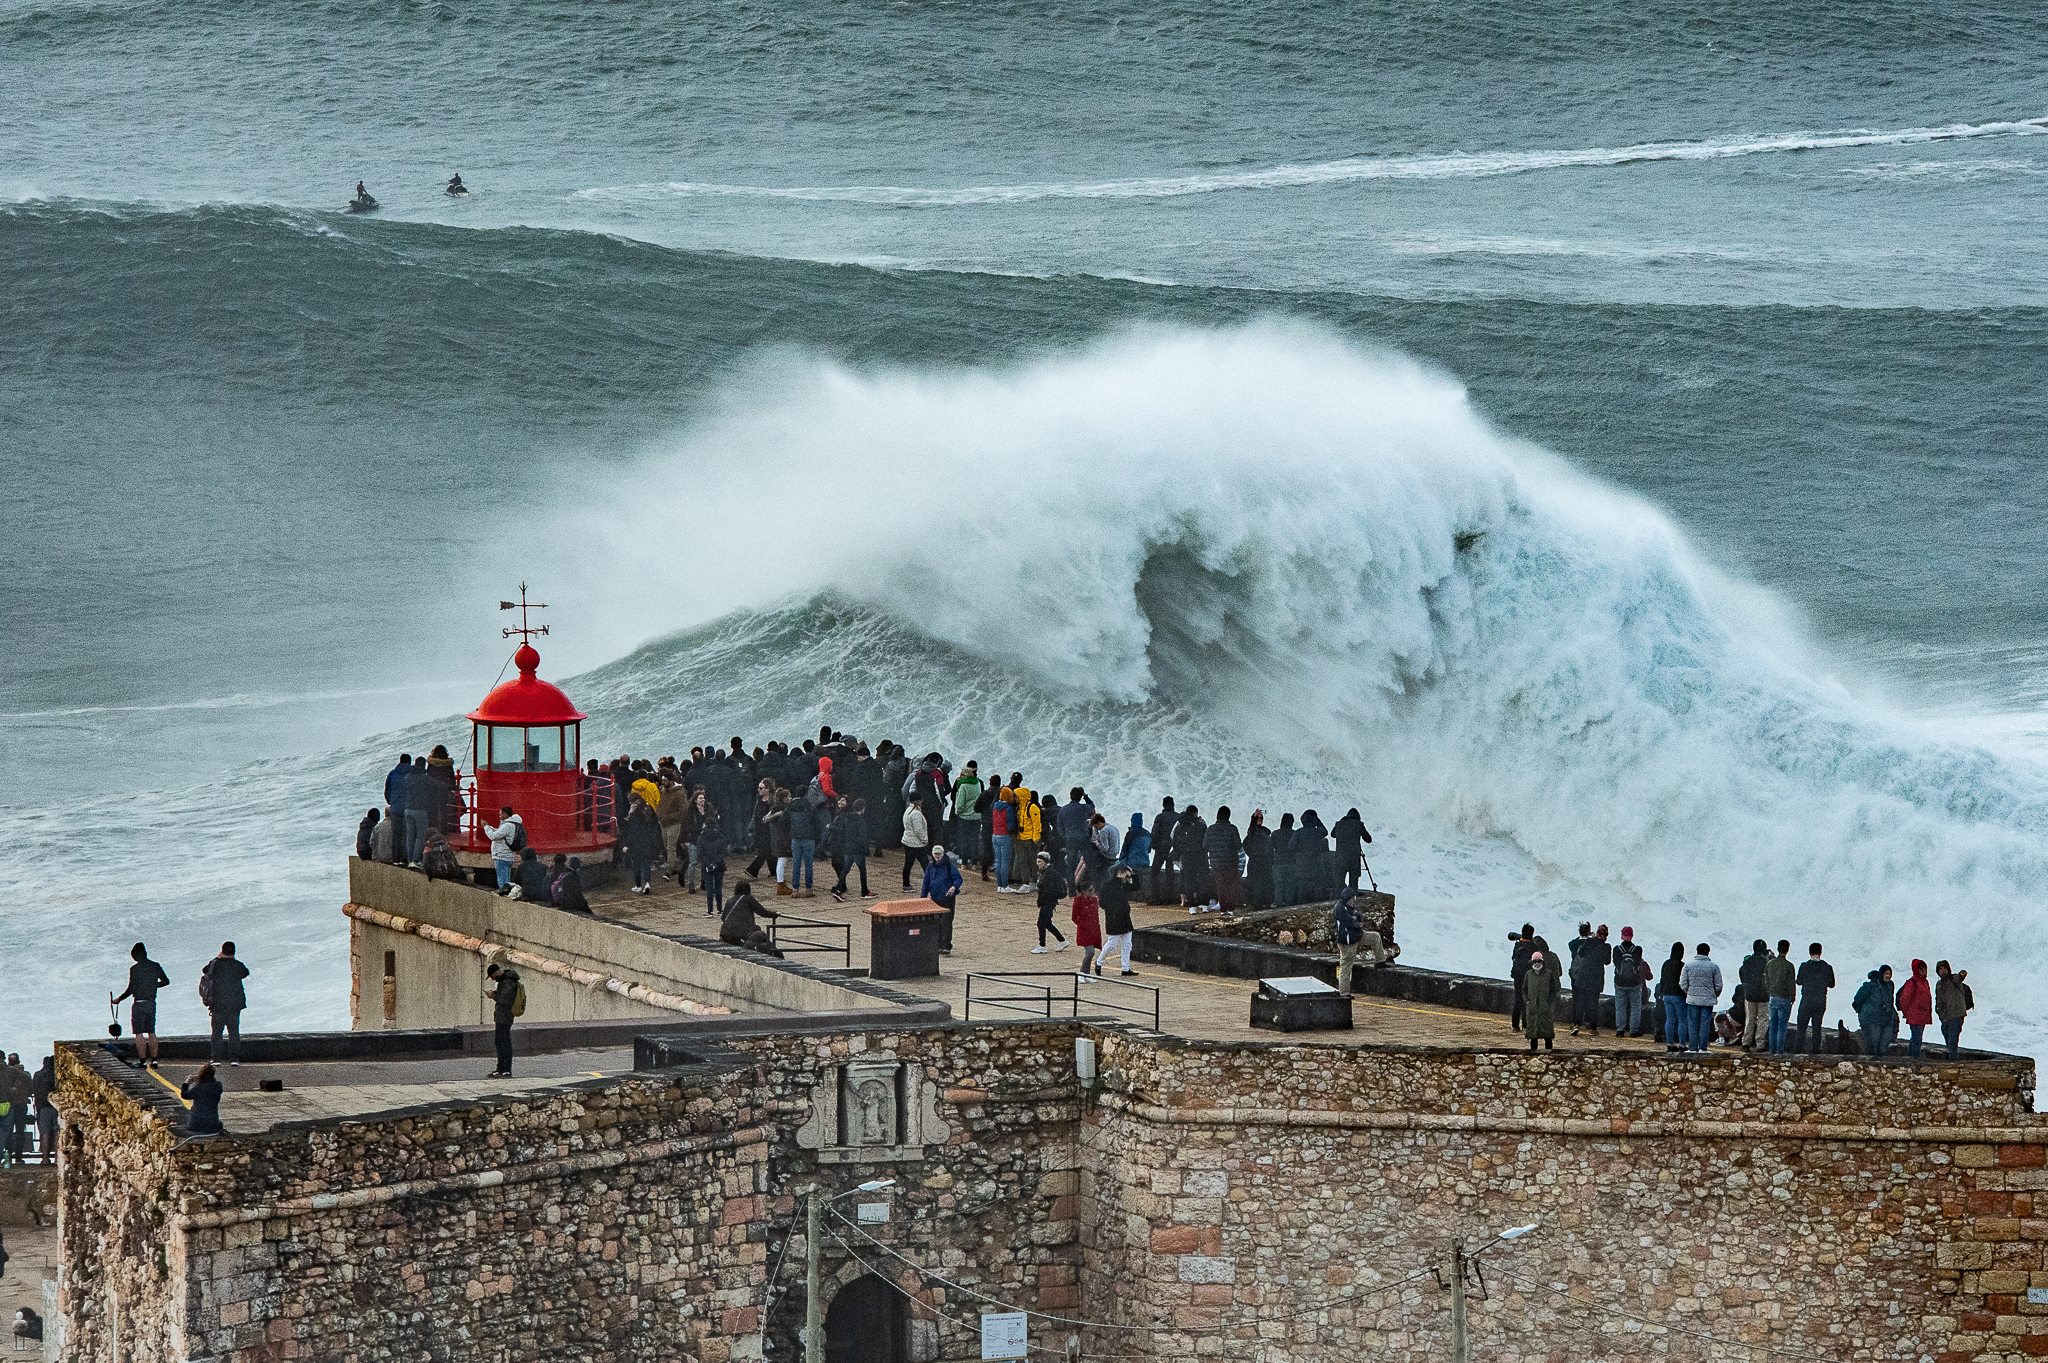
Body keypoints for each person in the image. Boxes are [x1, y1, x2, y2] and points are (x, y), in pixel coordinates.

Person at [112, 941, 171, 1068]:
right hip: (151, 1003)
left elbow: (131, 988)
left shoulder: (134, 969)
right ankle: (154, 1060)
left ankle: (143, 1061)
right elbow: (166, 981)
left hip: (138, 1003)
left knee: (139, 1033)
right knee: (151, 1032)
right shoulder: (155, 966)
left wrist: (119, 999)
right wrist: (153, 985)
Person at [200, 942, 250, 1067]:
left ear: (222, 951)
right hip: (234, 1003)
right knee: (234, 1032)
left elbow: (205, 970)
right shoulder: (237, 965)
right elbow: (246, 973)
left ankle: (216, 1058)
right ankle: (234, 1058)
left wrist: (217, 958)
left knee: (217, 1031)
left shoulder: (215, 964)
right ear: (234, 952)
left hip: (217, 1003)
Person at [719, 880, 783, 958]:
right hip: (741, 933)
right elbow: (762, 912)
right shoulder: (748, 898)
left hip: (725, 932)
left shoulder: (729, 901)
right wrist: (774, 914)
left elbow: (723, 918)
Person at [1568, 922, 1610, 1037]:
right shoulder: (1606, 947)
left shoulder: (1590, 942)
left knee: (1580, 1000)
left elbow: (1581, 953)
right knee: (1593, 1002)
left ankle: (1576, 1024)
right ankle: (1592, 1027)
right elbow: (1607, 961)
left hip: (1584, 974)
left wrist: (1591, 939)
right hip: (1596, 976)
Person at [919, 842, 963, 953]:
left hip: (948, 899)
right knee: (936, 923)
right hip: (935, 898)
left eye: (939, 854)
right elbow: (926, 883)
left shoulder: (949, 866)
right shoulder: (930, 867)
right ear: (933, 855)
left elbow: (958, 878)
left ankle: (946, 945)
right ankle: (938, 944)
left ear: (943, 854)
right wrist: (923, 898)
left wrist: (953, 887)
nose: (937, 856)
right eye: (935, 854)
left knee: (946, 922)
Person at [1679, 943, 1721, 1055]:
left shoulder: (1688, 966)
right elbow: (1718, 985)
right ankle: (1703, 1048)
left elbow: (1683, 983)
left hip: (1692, 999)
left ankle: (1692, 1047)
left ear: (1697, 951)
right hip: (1707, 1000)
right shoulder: (1714, 966)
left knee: (1692, 1023)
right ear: (1708, 952)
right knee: (1705, 1023)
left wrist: (1689, 992)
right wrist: (1714, 994)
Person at [1794, 943, 1835, 1054]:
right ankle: (1815, 1050)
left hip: (1807, 999)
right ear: (1820, 952)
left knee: (1801, 1026)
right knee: (1817, 1026)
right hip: (1820, 1000)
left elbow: (1799, 981)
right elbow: (1831, 984)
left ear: (1810, 952)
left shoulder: (1804, 966)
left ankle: (1798, 1049)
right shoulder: (1827, 967)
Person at [828, 798, 872, 901]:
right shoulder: (860, 821)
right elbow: (862, 837)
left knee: (845, 870)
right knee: (862, 870)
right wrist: (866, 849)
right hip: (857, 849)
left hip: (848, 848)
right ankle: (864, 891)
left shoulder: (847, 818)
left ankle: (838, 889)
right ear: (862, 809)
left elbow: (841, 832)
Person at [1205, 807, 1244, 915]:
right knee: (1231, 886)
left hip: (1216, 863)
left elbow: (1205, 846)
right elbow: (1238, 845)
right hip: (1231, 862)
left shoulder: (1210, 829)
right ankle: (1230, 909)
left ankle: (1222, 910)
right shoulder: (1232, 828)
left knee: (1220, 886)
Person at [484, 963, 522, 1076]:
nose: (493, 979)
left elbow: (505, 1000)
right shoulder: (504, 981)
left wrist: (493, 996)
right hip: (501, 1016)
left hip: (505, 1016)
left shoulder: (508, 981)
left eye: (492, 976)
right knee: (499, 1041)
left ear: (496, 973)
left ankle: (506, 1069)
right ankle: (500, 1068)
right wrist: (495, 993)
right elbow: (503, 995)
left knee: (504, 1042)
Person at [1854, 965, 1899, 1058]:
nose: (1888, 976)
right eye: (1886, 973)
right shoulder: (1871, 985)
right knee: (1872, 1045)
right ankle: (1871, 1068)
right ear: (1881, 974)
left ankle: (1881, 1068)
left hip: (1886, 1019)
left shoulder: (1890, 985)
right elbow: (1858, 1000)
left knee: (1884, 1045)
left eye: (1890, 974)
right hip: (1872, 1019)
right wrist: (1862, 1014)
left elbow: (1890, 1002)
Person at [1611, 927, 1648, 1038]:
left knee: (1620, 1006)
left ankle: (1620, 1030)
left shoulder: (1617, 949)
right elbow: (1638, 965)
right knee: (1635, 1006)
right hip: (1634, 983)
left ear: (1622, 935)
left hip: (1620, 983)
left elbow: (1616, 964)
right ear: (1632, 936)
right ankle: (1634, 1030)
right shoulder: (1638, 950)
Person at [621, 795, 662, 895]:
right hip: (648, 842)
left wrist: (627, 845)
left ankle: (638, 886)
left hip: (636, 843)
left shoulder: (635, 814)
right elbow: (654, 825)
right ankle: (647, 883)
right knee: (646, 863)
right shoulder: (650, 811)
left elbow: (631, 831)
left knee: (637, 864)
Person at [1101, 863, 1137, 976]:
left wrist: (1133, 875)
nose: (1128, 878)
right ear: (1120, 873)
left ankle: (1125, 968)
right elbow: (1102, 902)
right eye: (1126, 875)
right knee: (1112, 943)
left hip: (1125, 917)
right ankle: (1099, 962)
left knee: (1127, 945)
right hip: (1114, 917)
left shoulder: (1125, 885)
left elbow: (1136, 887)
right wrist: (1112, 910)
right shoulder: (1108, 885)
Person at [1056, 788, 1096, 892]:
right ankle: (1094, 887)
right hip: (1083, 837)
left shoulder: (1063, 809)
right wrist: (1086, 797)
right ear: (1080, 796)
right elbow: (1092, 807)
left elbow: (1059, 826)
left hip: (1070, 838)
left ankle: (1072, 890)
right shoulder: (1083, 808)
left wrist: (1065, 836)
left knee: (1070, 865)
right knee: (1090, 863)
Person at [1524, 943, 1560, 1052]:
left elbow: (1553, 989)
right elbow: (1524, 989)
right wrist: (1527, 1001)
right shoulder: (1528, 974)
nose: (1537, 963)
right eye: (1535, 961)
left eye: (1539, 961)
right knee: (1533, 1034)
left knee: (1547, 1034)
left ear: (1542, 962)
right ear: (1532, 962)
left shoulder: (1549, 974)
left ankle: (1549, 1055)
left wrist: (1548, 1002)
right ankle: (1532, 1054)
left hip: (1545, 1008)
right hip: (1533, 1008)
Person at [1737, 939, 1772, 1051]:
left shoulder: (1747, 961)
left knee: (1750, 1019)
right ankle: (1760, 1044)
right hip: (1763, 996)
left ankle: (1746, 1042)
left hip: (1750, 995)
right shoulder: (1766, 961)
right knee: (1762, 1019)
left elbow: (1742, 974)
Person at [1935, 960, 1974, 1060]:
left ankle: (1953, 1062)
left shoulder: (1954, 979)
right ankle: (1952, 1060)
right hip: (1946, 1016)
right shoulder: (1939, 985)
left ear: (1948, 969)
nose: (1943, 971)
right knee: (1947, 1035)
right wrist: (1939, 1012)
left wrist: (1962, 974)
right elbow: (1938, 1000)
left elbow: (1960, 977)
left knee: (1952, 1040)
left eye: (1944, 968)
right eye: (1940, 969)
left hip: (1956, 1015)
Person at [1765, 940, 1798, 1054]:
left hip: (1773, 997)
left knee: (1773, 1025)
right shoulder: (1789, 966)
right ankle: (1779, 1051)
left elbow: (1766, 980)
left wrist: (1770, 992)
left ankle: (1772, 1050)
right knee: (1782, 1027)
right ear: (1787, 950)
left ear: (1778, 948)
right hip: (1784, 998)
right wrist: (1792, 997)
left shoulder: (1770, 964)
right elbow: (1791, 984)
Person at [1032, 852, 1068, 954]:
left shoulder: (1049, 873)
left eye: (1040, 861)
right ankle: (1062, 940)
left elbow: (1048, 890)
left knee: (1041, 923)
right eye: (1037, 861)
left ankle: (1042, 945)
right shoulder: (1045, 872)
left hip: (1048, 902)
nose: (1038, 863)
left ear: (1045, 861)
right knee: (1047, 923)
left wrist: (1043, 901)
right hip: (1047, 902)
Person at [1898, 959, 1934, 1059]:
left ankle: (1914, 1056)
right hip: (1915, 1014)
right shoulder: (1912, 982)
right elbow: (1904, 999)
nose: (1923, 970)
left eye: (1924, 968)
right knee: (1916, 1037)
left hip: (1921, 1015)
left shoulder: (1924, 982)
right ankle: (1913, 1057)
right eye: (1920, 968)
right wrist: (1907, 1012)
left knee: (1918, 1037)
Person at [788, 786, 820, 896]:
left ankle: (795, 889)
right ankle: (808, 889)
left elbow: (784, 820)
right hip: (808, 838)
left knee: (796, 864)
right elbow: (817, 823)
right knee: (808, 864)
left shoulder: (791, 806)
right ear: (806, 794)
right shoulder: (810, 806)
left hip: (795, 838)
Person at [1331, 807, 1373, 891]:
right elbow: (1368, 839)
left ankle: (1338, 896)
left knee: (1340, 878)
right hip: (1353, 856)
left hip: (1340, 856)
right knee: (1354, 878)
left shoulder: (1339, 824)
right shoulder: (1358, 824)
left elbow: (1333, 834)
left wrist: (1341, 822)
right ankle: (1352, 896)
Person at [697, 812, 728, 919]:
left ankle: (710, 911)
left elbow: (700, 852)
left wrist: (708, 863)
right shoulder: (720, 835)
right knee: (719, 888)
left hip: (706, 866)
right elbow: (723, 852)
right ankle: (720, 909)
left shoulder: (702, 837)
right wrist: (715, 862)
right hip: (719, 866)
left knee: (709, 889)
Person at [485, 806, 523, 893]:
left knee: (502, 879)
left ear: (505, 814)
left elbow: (493, 836)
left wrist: (486, 827)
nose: (499, 816)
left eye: (500, 814)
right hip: (509, 854)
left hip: (502, 855)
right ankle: (507, 892)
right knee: (507, 878)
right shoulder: (514, 824)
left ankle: (503, 893)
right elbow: (500, 833)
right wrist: (491, 828)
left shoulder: (507, 825)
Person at [1013, 783, 1042, 893]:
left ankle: (1034, 882)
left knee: (1032, 862)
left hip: (1030, 840)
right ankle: (1025, 883)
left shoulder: (1032, 807)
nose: (1015, 799)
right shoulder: (1019, 808)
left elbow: (1036, 824)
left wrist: (1036, 838)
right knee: (1022, 861)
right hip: (1021, 838)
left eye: (1016, 796)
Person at [1148, 798, 1178, 905]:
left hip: (1161, 848)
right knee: (1169, 872)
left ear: (1163, 805)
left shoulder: (1160, 817)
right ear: (1173, 805)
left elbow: (1154, 833)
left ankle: (1156, 898)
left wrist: (1152, 846)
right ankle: (1168, 898)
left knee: (1154, 873)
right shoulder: (1177, 817)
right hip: (1172, 848)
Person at [180, 1063, 224, 1135]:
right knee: (219, 1123)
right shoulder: (218, 1086)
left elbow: (184, 1095)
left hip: (196, 1124)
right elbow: (209, 1084)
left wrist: (186, 1082)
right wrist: (199, 1079)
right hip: (211, 1125)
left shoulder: (199, 1088)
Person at [1071, 881, 1104, 976]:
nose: (1092, 892)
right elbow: (1074, 917)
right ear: (1084, 891)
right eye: (1090, 890)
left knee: (1091, 953)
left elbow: (1096, 916)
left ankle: (1086, 974)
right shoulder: (1078, 900)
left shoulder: (1094, 900)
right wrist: (1083, 925)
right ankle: (1083, 973)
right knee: (1090, 952)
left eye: (1093, 890)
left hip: (1093, 930)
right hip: (1084, 931)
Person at [384, 753, 411, 861]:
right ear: (409, 762)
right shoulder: (410, 774)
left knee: (396, 835)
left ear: (400, 761)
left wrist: (392, 803)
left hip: (395, 809)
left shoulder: (392, 774)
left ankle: (396, 859)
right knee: (406, 834)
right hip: (408, 808)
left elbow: (387, 791)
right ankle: (404, 859)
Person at [990, 787, 1018, 890]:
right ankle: (1005, 885)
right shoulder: (1008, 808)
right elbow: (1010, 824)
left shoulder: (995, 806)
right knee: (1005, 862)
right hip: (1005, 835)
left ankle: (999, 885)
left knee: (998, 861)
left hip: (995, 835)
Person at [1242, 811, 1272, 909]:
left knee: (1263, 882)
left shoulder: (1263, 832)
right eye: (1258, 818)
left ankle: (1262, 903)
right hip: (1256, 860)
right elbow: (1245, 844)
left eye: (1261, 818)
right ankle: (1258, 903)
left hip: (1261, 860)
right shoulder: (1253, 832)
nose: (1260, 820)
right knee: (1256, 882)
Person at [900, 799, 931, 891]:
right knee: (925, 864)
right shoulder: (916, 814)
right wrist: (925, 840)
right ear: (918, 801)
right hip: (916, 844)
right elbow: (918, 830)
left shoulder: (908, 810)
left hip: (908, 841)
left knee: (908, 864)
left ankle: (906, 884)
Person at [1509, 924, 1535, 1032]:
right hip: (1528, 976)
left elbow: (1513, 957)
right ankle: (1526, 1025)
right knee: (1527, 1000)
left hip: (1517, 975)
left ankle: (1515, 1025)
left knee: (1518, 999)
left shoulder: (1518, 945)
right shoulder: (1533, 946)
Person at [32, 1057, 56, 1164]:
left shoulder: (38, 1075)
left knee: (44, 1133)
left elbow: (33, 1089)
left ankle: (45, 1159)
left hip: (42, 1107)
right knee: (57, 1133)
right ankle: (57, 1159)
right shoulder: (57, 1075)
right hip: (56, 1106)